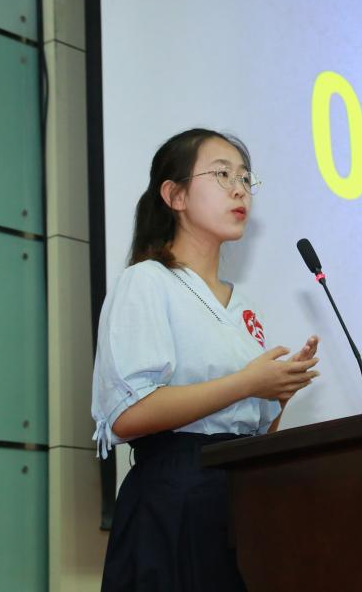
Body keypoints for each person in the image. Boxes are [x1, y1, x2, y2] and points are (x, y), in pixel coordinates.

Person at [91, 128, 320, 591]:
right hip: (174, 498)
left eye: (245, 178)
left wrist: (278, 394)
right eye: (222, 174)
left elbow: (253, 431)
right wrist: (248, 383)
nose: (239, 189)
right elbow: (128, 415)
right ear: (174, 195)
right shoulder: (147, 281)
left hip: (239, 498)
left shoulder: (244, 308)